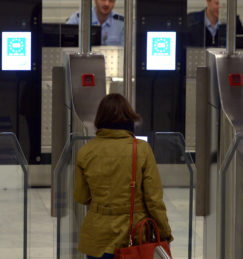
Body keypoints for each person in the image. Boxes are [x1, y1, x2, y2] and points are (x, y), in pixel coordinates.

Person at [74, 94, 173, 259]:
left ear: (100, 119)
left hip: (97, 238)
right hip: (133, 237)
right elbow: (154, 200)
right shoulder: (141, 149)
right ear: (129, 118)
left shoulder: (86, 151)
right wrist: (164, 233)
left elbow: (81, 196)